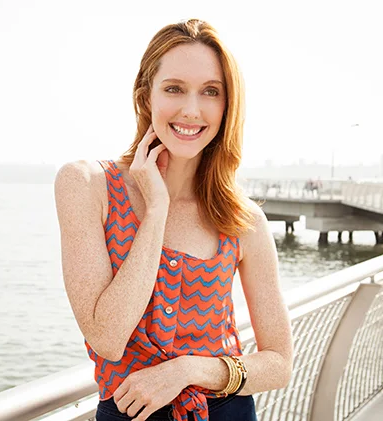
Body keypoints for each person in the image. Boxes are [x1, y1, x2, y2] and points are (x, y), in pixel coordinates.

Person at [54, 19, 292, 421]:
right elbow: (108, 338)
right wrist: (156, 211)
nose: (191, 110)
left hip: (227, 411)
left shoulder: (243, 219)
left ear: (227, 105)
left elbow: (279, 364)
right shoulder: (87, 185)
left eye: (211, 91)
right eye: (174, 89)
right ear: (145, 96)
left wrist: (186, 371)